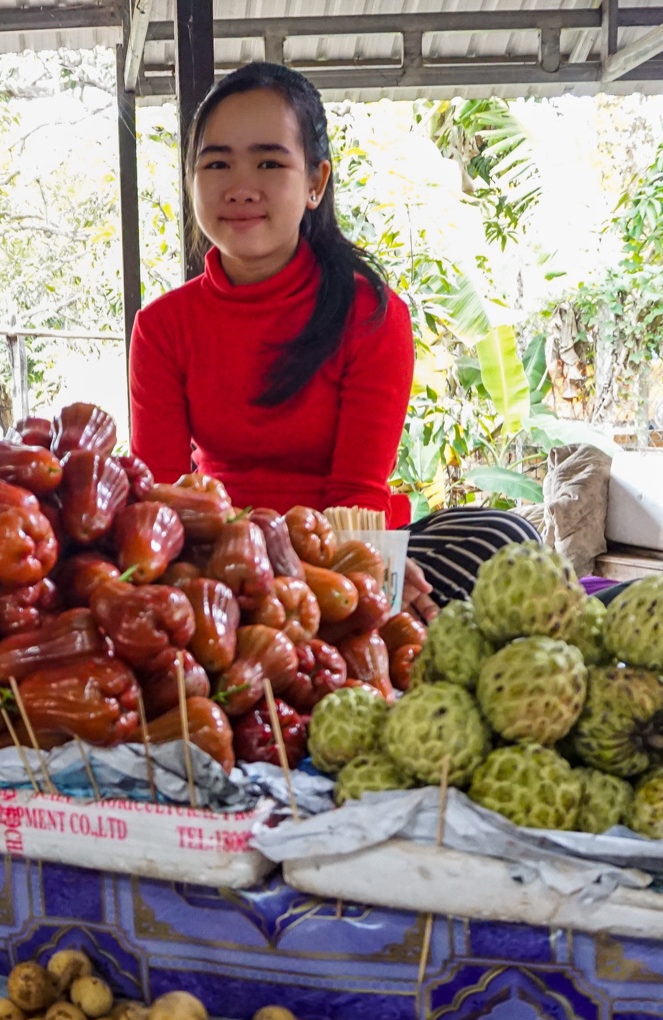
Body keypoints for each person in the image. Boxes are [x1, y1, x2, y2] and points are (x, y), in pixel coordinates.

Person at [126, 62, 539, 621]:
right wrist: (250, 560)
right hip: (221, 566)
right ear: (192, 180)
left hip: (340, 550)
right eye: (217, 162)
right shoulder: (161, 327)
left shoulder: (371, 313)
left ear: (316, 182)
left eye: (270, 162)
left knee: (501, 536)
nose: (241, 185)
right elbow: (164, 502)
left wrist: (355, 570)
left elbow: (357, 493)